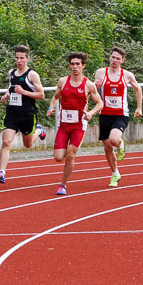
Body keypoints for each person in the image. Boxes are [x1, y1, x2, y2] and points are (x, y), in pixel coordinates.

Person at [46, 52, 102, 196]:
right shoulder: (62, 81)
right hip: (64, 125)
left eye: (78, 64)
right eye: (72, 64)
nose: (75, 67)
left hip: (79, 125)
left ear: (83, 66)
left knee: (70, 154)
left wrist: (90, 113)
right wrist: (51, 107)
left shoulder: (88, 85)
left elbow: (100, 103)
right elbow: (55, 97)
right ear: (69, 65)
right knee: (58, 157)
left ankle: (62, 185)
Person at [0, 45, 46, 184]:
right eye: (17, 58)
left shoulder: (32, 75)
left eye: (22, 58)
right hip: (12, 113)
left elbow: (41, 95)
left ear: (27, 58)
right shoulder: (11, 73)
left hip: (27, 114)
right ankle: (2, 172)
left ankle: (39, 130)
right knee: (6, 142)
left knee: (27, 144)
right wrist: (6, 95)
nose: (19, 61)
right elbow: (11, 89)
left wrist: (25, 92)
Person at [94, 47, 143, 187]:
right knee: (107, 147)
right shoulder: (101, 72)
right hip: (105, 113)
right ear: (109, 58)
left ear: (122, 60)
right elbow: (93, 90)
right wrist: (96, 86)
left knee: (114, 140)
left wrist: (139, 108)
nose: (114, 60)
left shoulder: (127, 75)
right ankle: (115, 173)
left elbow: (138, 88)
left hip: (121, 113)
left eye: (118, 58)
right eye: (113, 57)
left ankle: (121, 144)